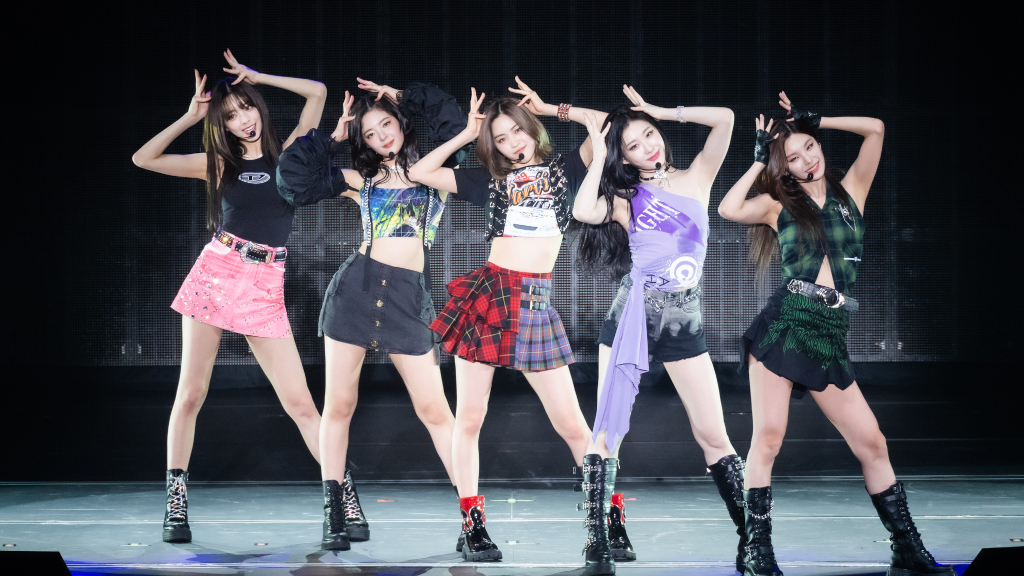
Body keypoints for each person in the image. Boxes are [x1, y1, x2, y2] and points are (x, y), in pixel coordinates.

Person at [717, 92, 952, 576]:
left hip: (829, 330)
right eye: (793, 158)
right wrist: (759, 159)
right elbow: (727, 208)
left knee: (872, 443)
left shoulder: (852, 191)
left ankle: (906, 548)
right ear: (784, 168)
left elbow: (876, 128)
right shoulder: (778, 203)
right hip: (787, 324)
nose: (807, 160)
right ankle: (757, 552)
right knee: (769, 438)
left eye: (809, 147)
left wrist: (817, 119)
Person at [408, 78, 605, 569]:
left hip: (535, 303)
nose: (512, 142)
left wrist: (553, 108)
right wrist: (466, 134)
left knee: (573, 425)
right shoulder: (487, 181)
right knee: (470, 418)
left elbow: (605, 124)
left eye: (517, 130)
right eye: (500, 138)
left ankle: (603, 523)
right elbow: (419, 171)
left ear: (530, 128)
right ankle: (472, 525)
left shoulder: (565, 170)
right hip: (489, 296)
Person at [131, 49, 326, 543]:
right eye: (232, 115)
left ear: (259, 108)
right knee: (191, 393)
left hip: (265, 282)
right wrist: (190, 117)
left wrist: (258, 76)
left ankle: (342, 497)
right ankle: (176, 504)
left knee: (301, 403)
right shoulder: (221, 163)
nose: (244, 120)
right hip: (217, 272)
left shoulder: (292, 154)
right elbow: (143, 159)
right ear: (223, 125)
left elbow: (318, 92)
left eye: (247, 108)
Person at [276, 79, 466, 551]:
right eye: (370, 133)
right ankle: (334, 516)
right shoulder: (360, 181)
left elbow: (454, 123)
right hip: (355, 294)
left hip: (407, 301)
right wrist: (331, 137)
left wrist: (402, 96)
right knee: (339, 406)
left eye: (386, 124)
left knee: (435, 411)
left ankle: (472, 520)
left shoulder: (435, 171)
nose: (381, 136)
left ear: (401, 124)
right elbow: (291, 182)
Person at [573, 86, 748, 572]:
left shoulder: (697, 177)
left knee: (714, 434)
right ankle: (596, 544)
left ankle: (753, 542)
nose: (647, 146)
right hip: (632, 316)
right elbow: (583, 211)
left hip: (683, 319)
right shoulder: (627, 197)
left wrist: (661, 110)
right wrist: (597, 160)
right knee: (607, 431)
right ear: (625, 158)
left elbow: (726, 117)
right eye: (633, 145)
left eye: (650, 135)